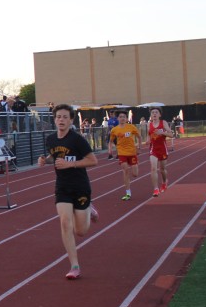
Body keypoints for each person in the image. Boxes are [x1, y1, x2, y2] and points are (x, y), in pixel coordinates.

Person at [38, 104, 99, 279]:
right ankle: (74, 265)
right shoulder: (51, 139)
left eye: (65, 117)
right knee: (65, 223)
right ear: (54, 120)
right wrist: (45, 160)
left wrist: (70, 164)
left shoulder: (77, 140)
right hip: (62, 186)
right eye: (58, 117)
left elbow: (93, 161)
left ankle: (89, 209)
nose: (61, 120)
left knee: (81, 231)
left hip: (80, 186)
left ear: (71, 120)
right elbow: (54, 156)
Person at [108, 110, 140, 200]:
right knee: (125, 171)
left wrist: (139, 147)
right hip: (121, 153)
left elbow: (139, 137)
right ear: (117, 118)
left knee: (135, 174)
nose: (122, 118)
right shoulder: (114, 130)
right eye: (120, 117)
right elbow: (110, 141)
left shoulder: (131, 127)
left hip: (132, 152)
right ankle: (128, 193)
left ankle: (136, 165)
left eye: (124, 117)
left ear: (126, 119)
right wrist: (110, 150)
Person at [147, 107, 174, 197]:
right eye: (152, 112)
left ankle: (164, 182)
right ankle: (156, 189)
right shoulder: (149, 124)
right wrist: (147, 140)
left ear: (159, 115)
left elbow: (171, 135)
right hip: (153, 149)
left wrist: (162, 133)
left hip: (162, 149)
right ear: (151, 115)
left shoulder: (163, 123)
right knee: (153, 168)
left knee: (162, 169)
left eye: (156, 112)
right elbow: (149, 135)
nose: (154, 114)